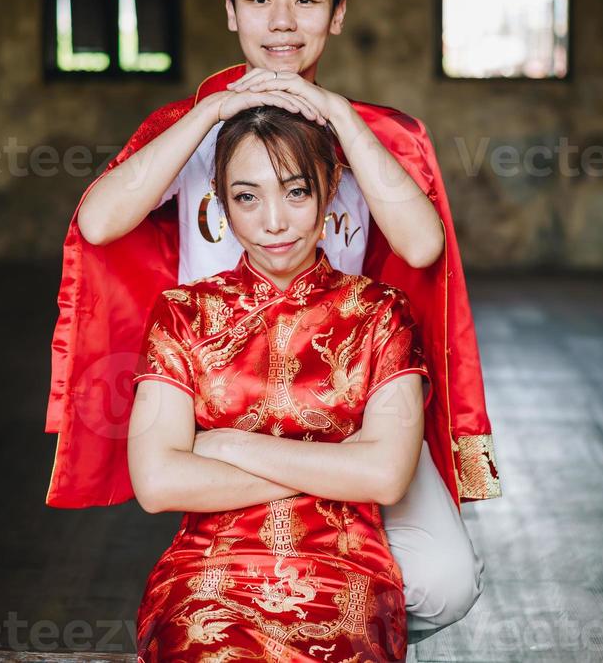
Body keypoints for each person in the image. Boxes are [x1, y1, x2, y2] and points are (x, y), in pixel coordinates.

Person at [45, 0, 499, 641]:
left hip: (348, 397)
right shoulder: (189, 132)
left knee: (442, 582)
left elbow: (419, 244)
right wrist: (211, 112)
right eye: (259, 0)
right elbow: (99, 225)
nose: (281, 22)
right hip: (223, 396)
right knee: (229, 579)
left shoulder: (375, 135)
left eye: (306, 1)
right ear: (230, 11)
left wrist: (344, 120)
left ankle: (340, 620)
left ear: (337, 14)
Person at [128, 105, 433, 662]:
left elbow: (386, 478)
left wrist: (228, 447)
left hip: (344, 572)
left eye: (296, 192)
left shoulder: (380, 313)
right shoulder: (183, 314)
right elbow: (158, 483)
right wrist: (337, 465)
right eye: (247, 197)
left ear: (331, 186)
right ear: (219, 200)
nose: (274, 221)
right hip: (207, 575)